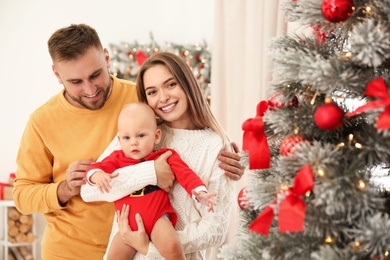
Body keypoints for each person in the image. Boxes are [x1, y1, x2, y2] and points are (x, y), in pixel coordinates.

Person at [12, 23, 243, 260]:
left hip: (142, 245)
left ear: (107, 58)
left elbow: (193, 129)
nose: (90, 89)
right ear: (57, 75)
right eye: (76, 82)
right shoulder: (42, 121)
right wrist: (66, 189)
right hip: (73, 251)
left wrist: (229, 154)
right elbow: (22, 196)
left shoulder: (142, 99)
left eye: (95, 75)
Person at [81, 51, 238, 259]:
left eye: (171, 85)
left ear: (187, 84)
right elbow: (89, 191)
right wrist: (151, 172)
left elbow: (214, 230)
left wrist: (148, 245)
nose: (163, 98)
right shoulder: (136, 134)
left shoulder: (216, 145)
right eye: (152, 92)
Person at [87, 102, 217, 260]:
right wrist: (97, 175)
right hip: (127, 227)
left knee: (173, 247)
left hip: (158, 219)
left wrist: (200, 192)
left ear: (156, 136)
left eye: (140, 136)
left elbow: (186, 175)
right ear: (120, 140)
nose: (133, 142)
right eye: (127, 138)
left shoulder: (165, 156)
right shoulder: (116, 158)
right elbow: (94, 169)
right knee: (113, 257)